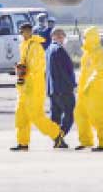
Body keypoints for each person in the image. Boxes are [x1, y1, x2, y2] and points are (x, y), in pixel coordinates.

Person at [11, 23, 65, 151]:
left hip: (34, 88)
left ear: (30, 32)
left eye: (26, 31)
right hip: (24, 88)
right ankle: (22, 143)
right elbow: (25, 64)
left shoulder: (35, 47)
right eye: (22, 32)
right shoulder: (24, 45)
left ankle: (57, 135)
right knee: (21, 116)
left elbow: (37, 69)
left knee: (36, 116)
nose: (23, 34)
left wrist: (25, 75)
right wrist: (20, 70)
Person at [74, 27, 103, 151]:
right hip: (84, 91)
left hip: (97, 91)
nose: (83, 39)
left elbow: (101, 72)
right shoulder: (87, 53)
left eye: (85, 37)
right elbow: (84, 73)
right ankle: (86, 141)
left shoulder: (101, 52)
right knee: (80, 115)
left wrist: (89, 85)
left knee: (99, 117)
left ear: (92, 37)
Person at [46, 28, 76, 140]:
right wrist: (72, 84)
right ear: (54, 36)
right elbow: (65, 71)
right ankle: (59, 137)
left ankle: (56, 139)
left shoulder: (49, 49)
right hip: (63, 89)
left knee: (55, 116)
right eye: (59, 35)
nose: (61, 37)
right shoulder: (59, 50)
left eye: (62, 35)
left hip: (52, 89)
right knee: (69, 115)